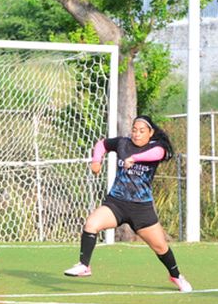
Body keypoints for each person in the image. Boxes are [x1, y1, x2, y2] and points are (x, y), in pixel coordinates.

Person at [63, 115, 192, 293]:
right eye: (134, 130)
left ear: (150, 133)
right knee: (91, 224)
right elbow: (102, 144)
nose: (137, 134)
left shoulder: (156, 147)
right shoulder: (123, 143)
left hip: (141, 209)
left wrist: (135, 158)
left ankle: (176, 276)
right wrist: (96, 160)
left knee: (161, 247)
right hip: (116, 203)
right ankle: (84, 265)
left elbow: (159, 153)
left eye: (142, 131)